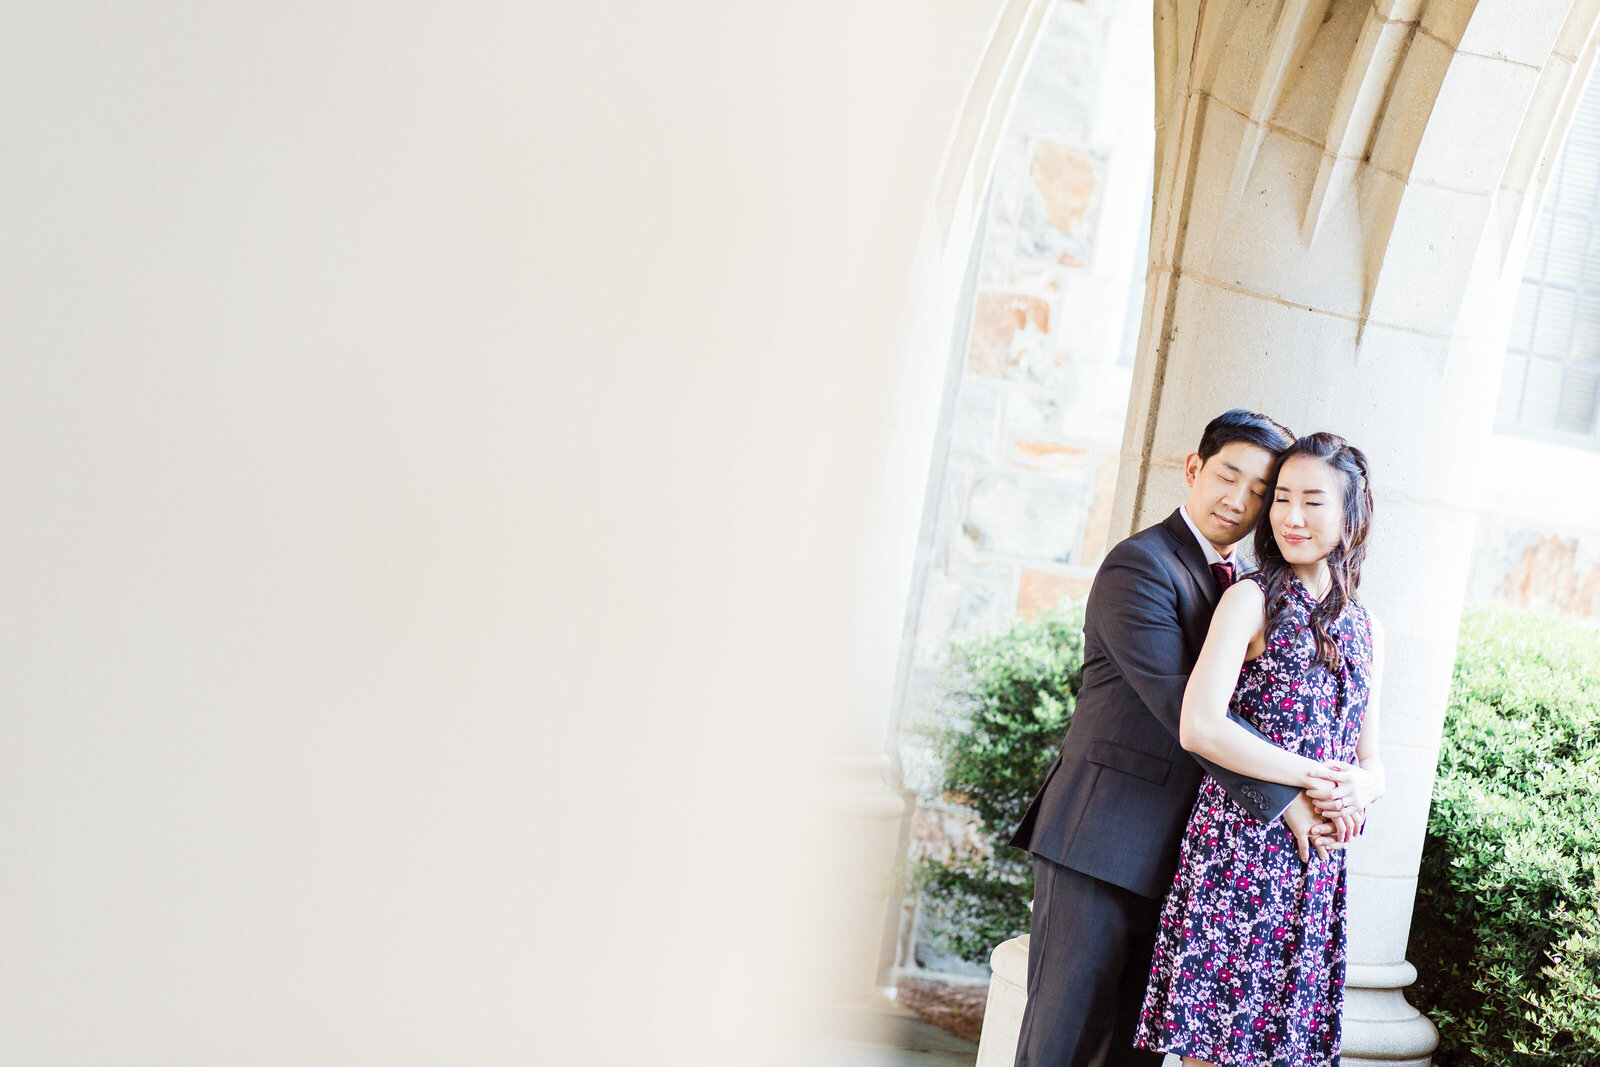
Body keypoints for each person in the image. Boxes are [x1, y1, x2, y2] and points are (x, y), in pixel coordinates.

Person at [1009, 410, 1340, 1067]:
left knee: (1133, 1053)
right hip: (1100, 845)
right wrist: (1290, 790)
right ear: (1194, 468)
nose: (1238, 500)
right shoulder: (1141, 565)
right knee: (1063, 1042)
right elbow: (1181, 707)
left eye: (1259, 490)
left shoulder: (1247, 586)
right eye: (1227, 476)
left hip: (1180, 861)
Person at [1133, 432, 1386, 1067]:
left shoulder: (1367, 625)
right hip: (1240, 848)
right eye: (1282, 499)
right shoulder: (1250, 597)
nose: (1291, 517)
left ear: (1353, 510)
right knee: (1215, 1051)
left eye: (1313, 501)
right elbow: (1200, 726)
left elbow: (1372, 758)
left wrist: (1363, 787)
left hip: (1316, 866)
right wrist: (1311, 780)